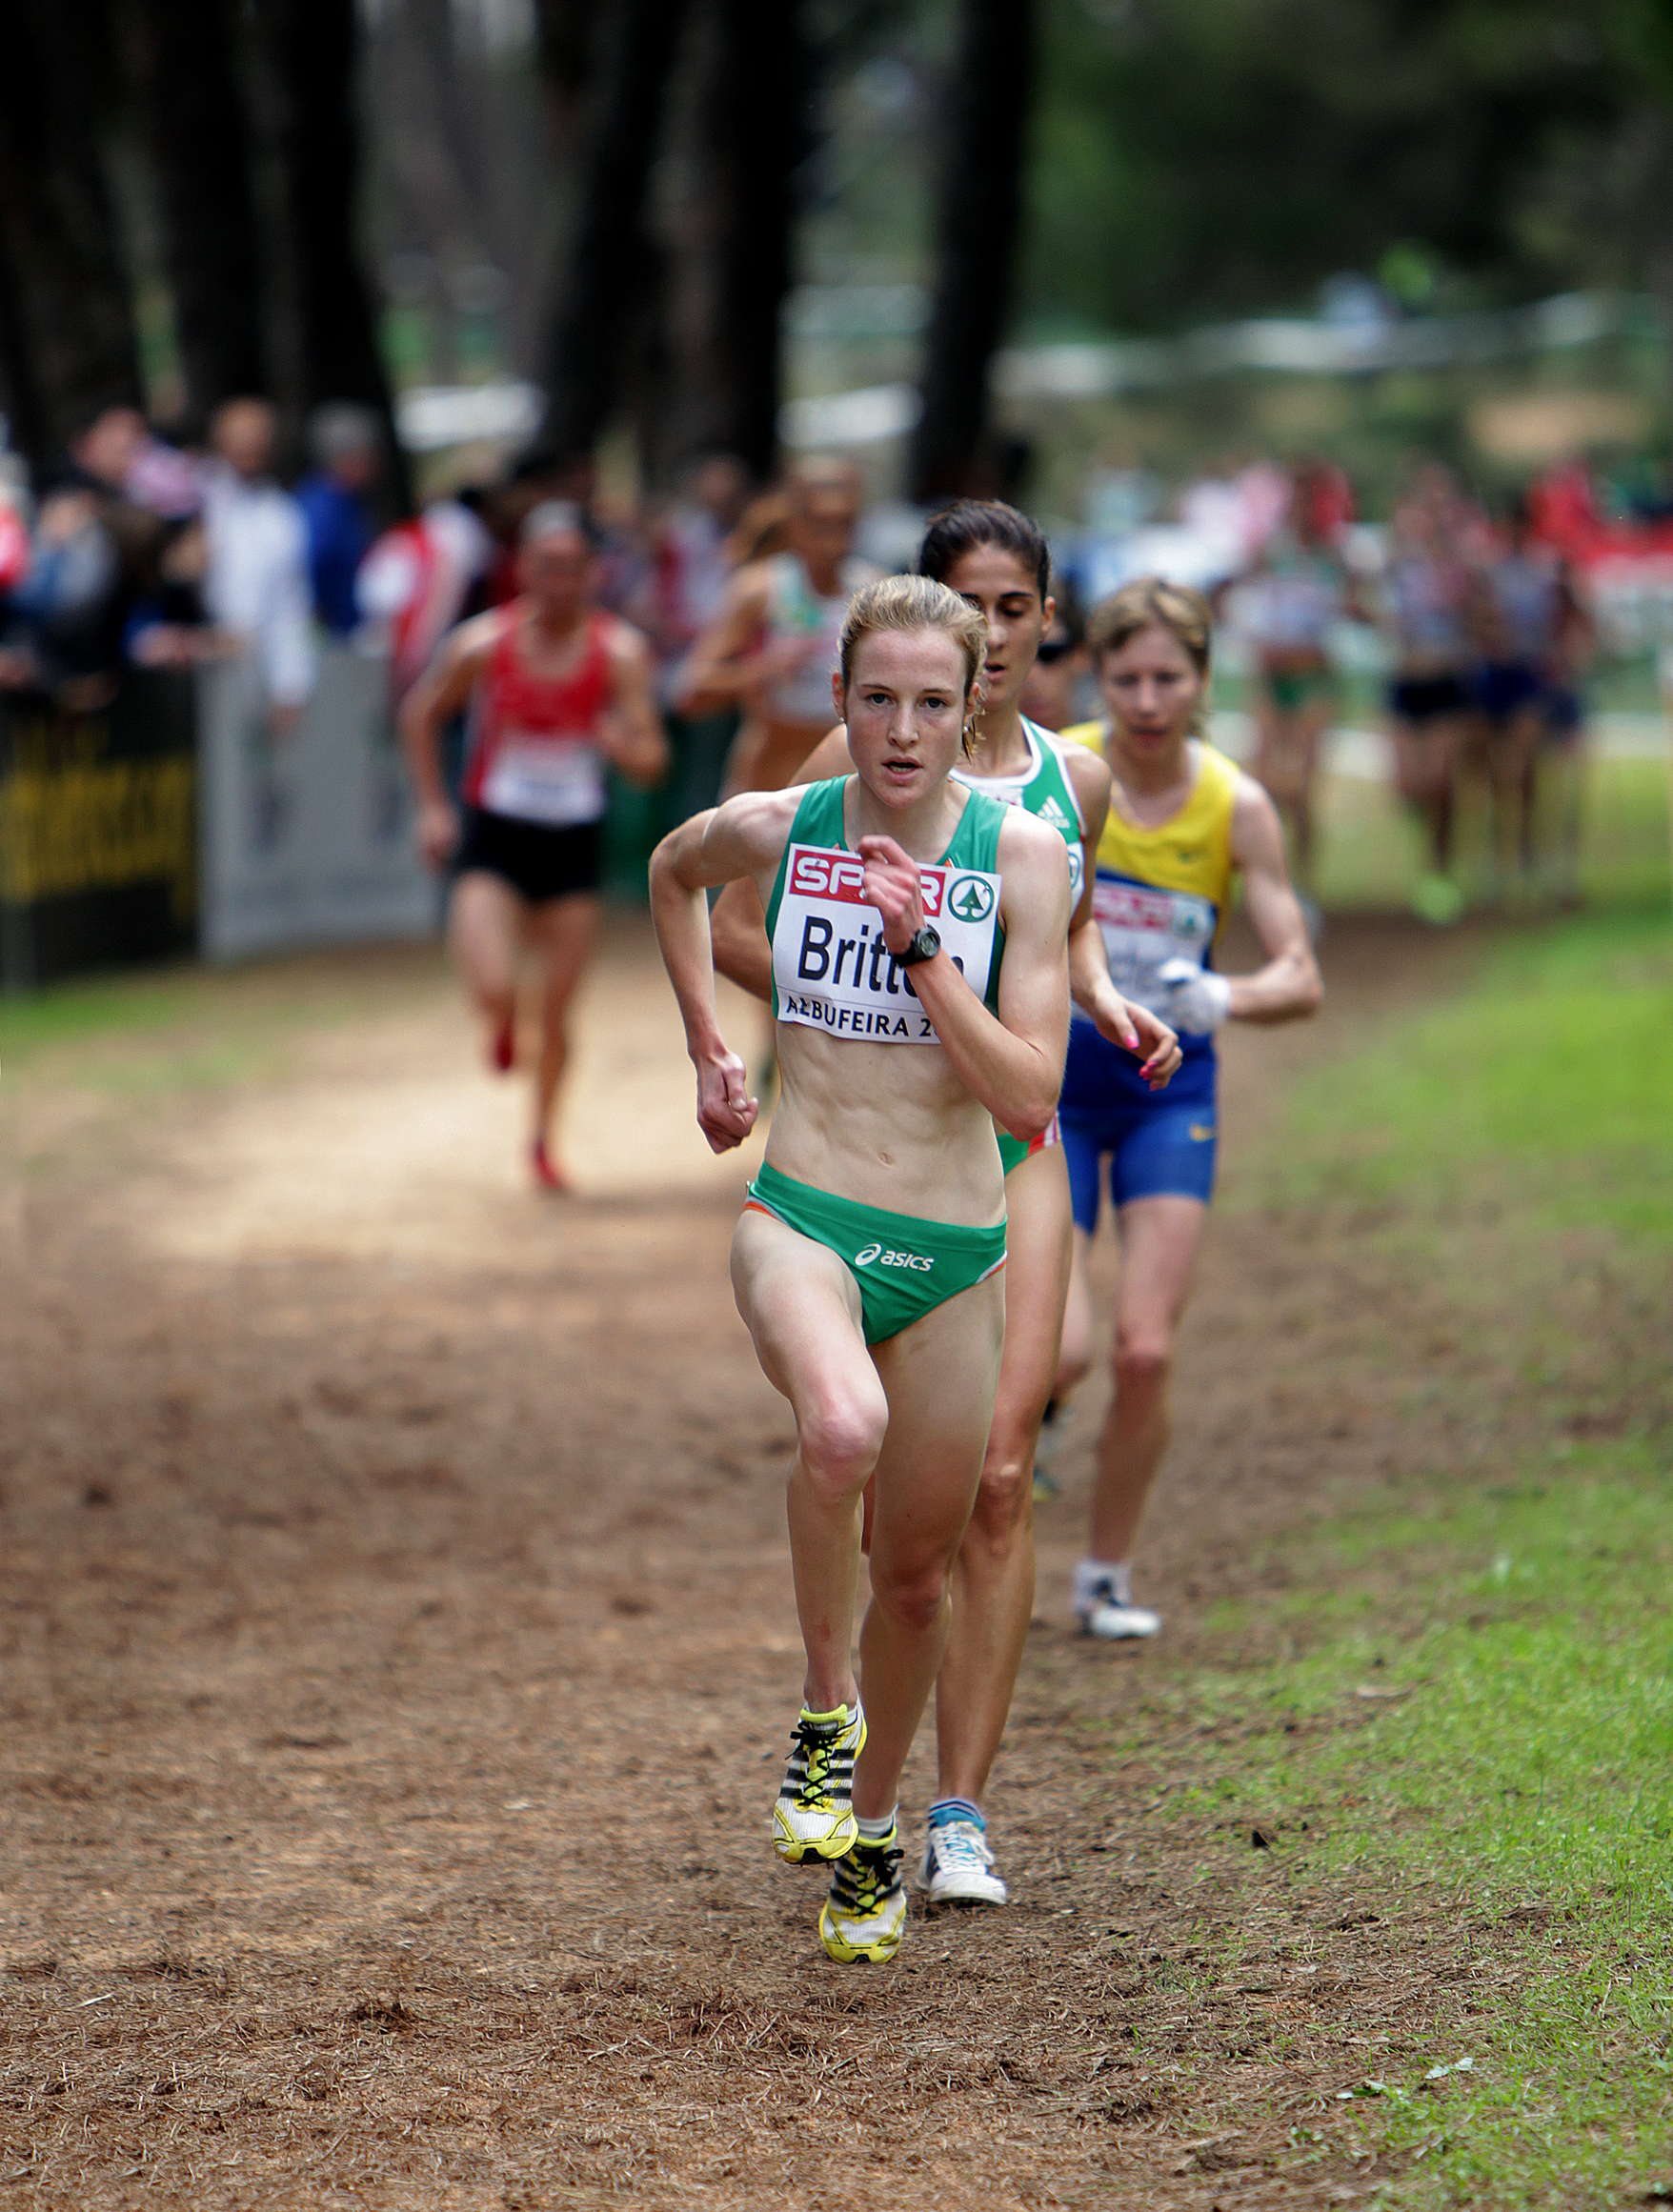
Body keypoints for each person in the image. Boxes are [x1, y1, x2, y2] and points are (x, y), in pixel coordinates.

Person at [709, 504, 1179, 1911]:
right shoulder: (841, 764)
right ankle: (849, 1742)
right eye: (969, 603)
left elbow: (1066, 944)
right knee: (876, 1470)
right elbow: (741, 913)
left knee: (998, 1474)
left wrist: (1102, 1000)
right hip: (859, 1151)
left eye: (1014, 610)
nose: (993, 638)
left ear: (1034, 628)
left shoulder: (1069, 787)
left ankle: (956, 1810)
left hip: (1005, 1144)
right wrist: (844, 988)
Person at [649, 574, 1074, 1964]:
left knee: (914, 1578)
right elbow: (670, 872)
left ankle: (874, 1828)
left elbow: (1029, 1098)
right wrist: (709, 1047)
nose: (901, 730)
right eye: (876, 699)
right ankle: (826, 1709)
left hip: (952, 1254)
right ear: (838, 700)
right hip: (804, 1216)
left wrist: (923, 950)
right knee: (842, 1429)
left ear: (971, 709)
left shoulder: (1022, 860)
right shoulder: (787, 825)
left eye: (931, 704)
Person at [1057, 578, 1321, 1641]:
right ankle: (1020, 1438)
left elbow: (1300, 975)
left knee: (1144, 1352)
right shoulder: (1061, 772)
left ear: (1203, 680)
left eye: (1168, 677)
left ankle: (1104, 1575)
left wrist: (1224, 996)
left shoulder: (1234, 804)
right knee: (1058, 1349)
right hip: (1052, 1089)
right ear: (1097, 678)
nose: (1147, 700)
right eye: (1126, 678)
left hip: (1169, 1096)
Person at [399, 502, 668, 1191]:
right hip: (495, 835)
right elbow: (421, 715)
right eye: (546, 565)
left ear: (594, 573)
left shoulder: (619, 654)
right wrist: (433, 808)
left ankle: (544, 1140)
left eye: (572, 567)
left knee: (558, 1010)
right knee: (494, 984)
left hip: (572, 844)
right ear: (522, 569)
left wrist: (621, 746)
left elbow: (653, 760)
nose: (559, 581)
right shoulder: (482, 645)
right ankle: (498, 1019)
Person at [674, 457, 878, 795]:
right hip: (769, 787)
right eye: (820, 523)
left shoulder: (874, 591)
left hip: (844, 795)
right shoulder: (760, 589)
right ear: (795, 523)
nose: (833, 539)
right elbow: (690, 690)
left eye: (844, 523)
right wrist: (764, 670)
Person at [1240, 464, 1355, 898]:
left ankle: (1303, 883)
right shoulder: (1271, 551)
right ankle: (1269, 878)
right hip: (1272, 677)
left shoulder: (1334, 558)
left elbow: (1354, 606)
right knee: (1263, 786)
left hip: (1312, 680)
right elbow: (1239, 587)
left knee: (1303, 788)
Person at [1382, 473, 1478, 924]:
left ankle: (1440, 868)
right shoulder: (1394, 567)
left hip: (1447, 682)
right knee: (1409, 785)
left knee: (1441, 781)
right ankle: (1432, 854)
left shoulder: (1462, 568)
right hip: (1405, 682)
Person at [295, 403, 385, 639]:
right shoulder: (321, 508)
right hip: (337, 637)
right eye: (370, 455)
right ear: (349, 458)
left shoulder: (349, 500)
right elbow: (314, 568)